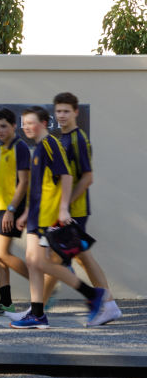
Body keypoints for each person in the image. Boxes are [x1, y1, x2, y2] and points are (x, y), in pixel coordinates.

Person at [9, 107, 108, 329]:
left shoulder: (50, 144)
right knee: (34, 263)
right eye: (23, 123)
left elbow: (66, 175)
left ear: (44, 123)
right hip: (36, 215)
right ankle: (37, 314)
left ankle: (92, 294)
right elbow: (38, 187)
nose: (26, 127)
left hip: (48, 215)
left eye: (30, 123)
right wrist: (25, 212)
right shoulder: (39, 148)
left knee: (40, 262)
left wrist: (63, 209)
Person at [40, 92, 121, 325]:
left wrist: (64, 206)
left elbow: (87, 178)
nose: (62, 115)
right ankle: (109, 304)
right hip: (65, 211)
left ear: (76, 112)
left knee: (54, 261)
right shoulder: (60, 138)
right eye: (58, 111)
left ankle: (37, 312)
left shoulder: (79, 140)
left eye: (66, 111)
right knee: (72, 259)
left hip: (73, 212)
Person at [0, 108, 30, 316]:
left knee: (2, 253)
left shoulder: (21, 148)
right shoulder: (5, 148)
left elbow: (25, 182)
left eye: (4, 126)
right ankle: (6, 302)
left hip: (12, 209)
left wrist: (11, 210)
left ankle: (46, 281)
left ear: (13, 126)